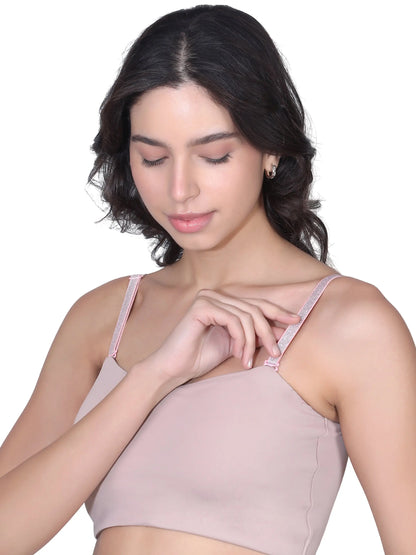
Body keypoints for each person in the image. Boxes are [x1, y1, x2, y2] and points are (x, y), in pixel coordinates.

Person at [0, 4, 415, 554]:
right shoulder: (104, 317)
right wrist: (153, 377)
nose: (180, 190)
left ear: (270, 147)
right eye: (153, 159)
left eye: (214, 156)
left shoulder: (350, 326)